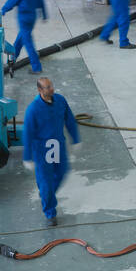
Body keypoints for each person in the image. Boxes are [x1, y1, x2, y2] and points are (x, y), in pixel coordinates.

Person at [22, 77, 80, 226]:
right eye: (47, 87)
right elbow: (27, 133)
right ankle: (50, 213)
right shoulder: (33, 109)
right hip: (42, 151)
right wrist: (27, 157)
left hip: (58, 146)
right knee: (46, 183)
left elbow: (70, 120)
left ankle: (46, 195)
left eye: (51, 86)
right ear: (40, 90)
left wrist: (75, 139)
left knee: (62, 172)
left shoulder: (60, 101)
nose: (51, 89)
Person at [0, 0, 48, 74]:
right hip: (32, 17)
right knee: (20, 39)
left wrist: (3, 10)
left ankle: (37, 67)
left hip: (23, 18)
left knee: (28, 43)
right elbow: (41, 1)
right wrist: (44, 15)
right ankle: (12, 60)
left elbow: (11, 2)